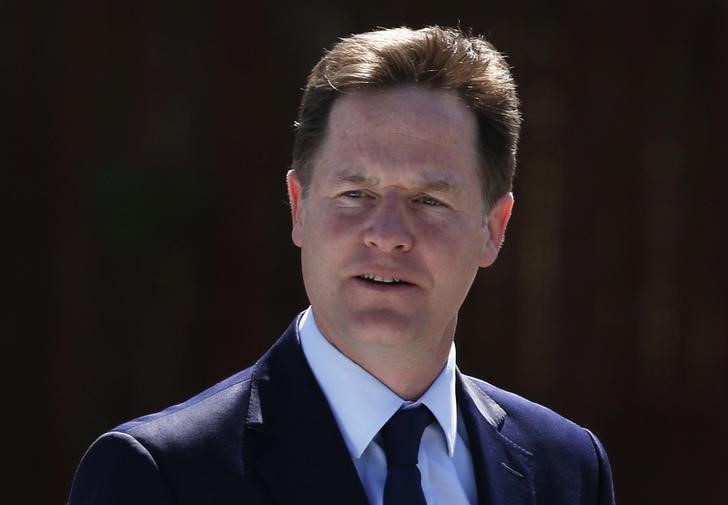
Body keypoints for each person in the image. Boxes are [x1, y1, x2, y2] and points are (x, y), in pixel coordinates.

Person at [69, 26, 615, 505]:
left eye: (429, 200)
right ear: (299, 207)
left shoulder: (566, 469)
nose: (388, 235)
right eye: (355, 193)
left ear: (493, 228)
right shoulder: (161, 475)